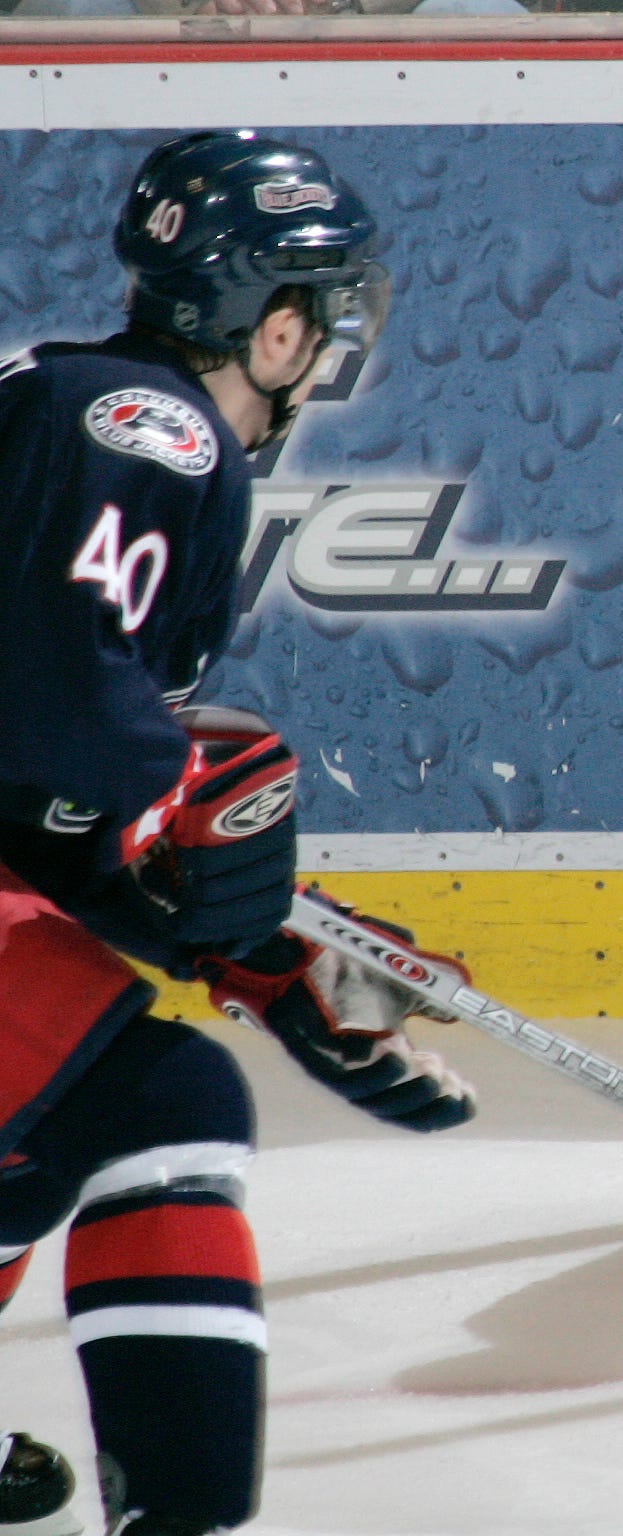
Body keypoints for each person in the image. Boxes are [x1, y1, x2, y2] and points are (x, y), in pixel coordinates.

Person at [0, 131, 477, 1536]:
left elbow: (45, 813)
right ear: (273, 326)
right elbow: (54, 720)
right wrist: (178, 788)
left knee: (45, 1110)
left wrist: (265, 955)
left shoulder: (70, 399)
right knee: (155, 1109)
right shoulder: (157, 428)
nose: (325, 352)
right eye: (320, 319)